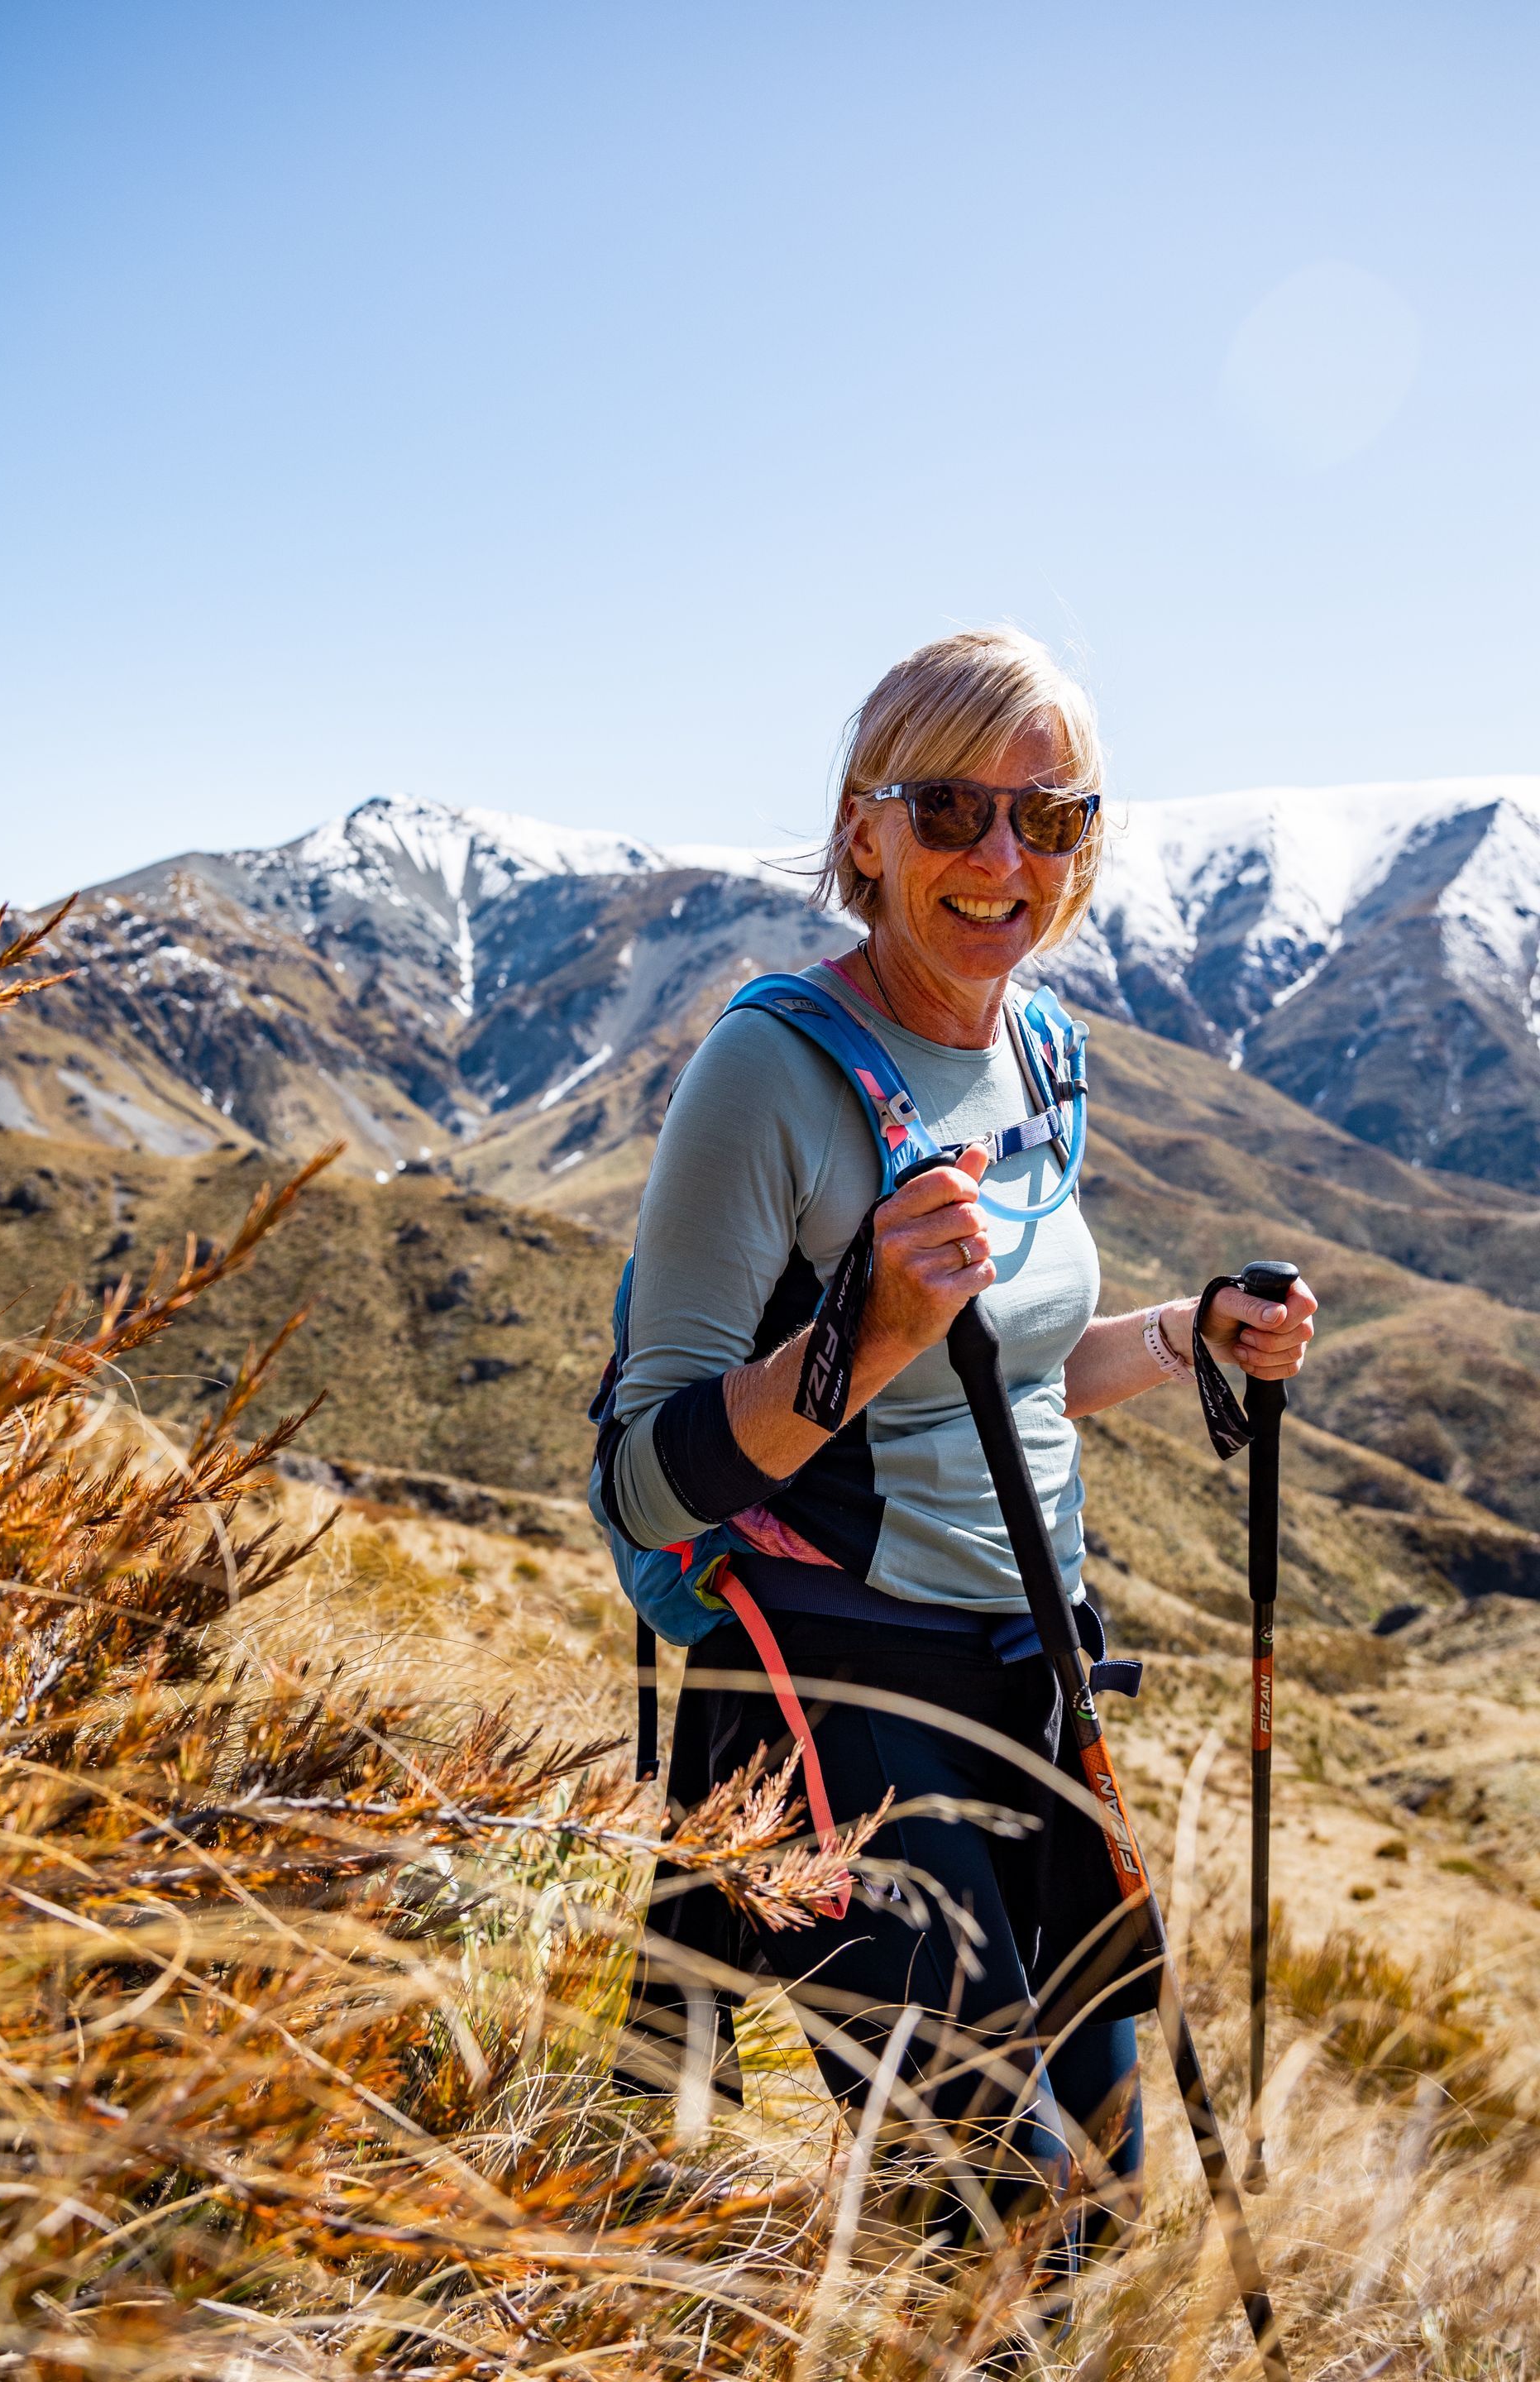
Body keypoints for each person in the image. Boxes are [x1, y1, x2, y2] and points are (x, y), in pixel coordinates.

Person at [605, 626, 1317, 2265]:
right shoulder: (765, 1071)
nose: (1004, 858)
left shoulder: (1044, 1056)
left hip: (1032, 1669)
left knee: (1109, 2191)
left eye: (1050, 817)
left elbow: (1018, 1372)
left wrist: (1195, 1332)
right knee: (999, 2218)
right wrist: (864, 1340)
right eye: (950, 812)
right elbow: (647, 1473)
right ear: (865, 830)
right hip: (841, 1689)